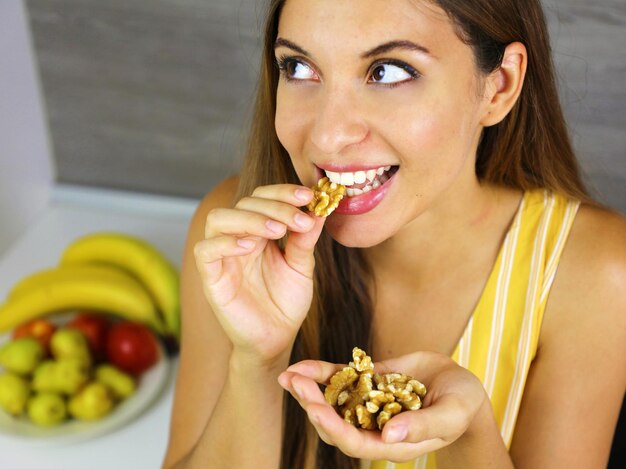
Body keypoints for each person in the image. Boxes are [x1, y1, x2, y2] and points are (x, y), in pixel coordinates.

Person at [163, 0, 626, 467]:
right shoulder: (237, 238)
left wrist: (468, 435)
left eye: (387, 72)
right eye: (299, 67)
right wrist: (258, 363)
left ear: (499, 86)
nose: (327, 136)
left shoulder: (591, 275)